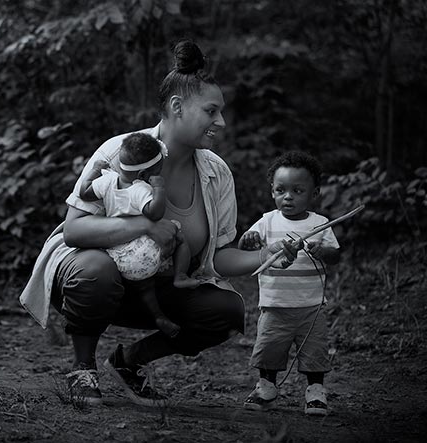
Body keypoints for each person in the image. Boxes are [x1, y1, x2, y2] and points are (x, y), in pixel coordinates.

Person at [19, 39, 300, 407]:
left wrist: (268, 254)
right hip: (91, 279)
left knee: (226, 311)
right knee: (96, 270)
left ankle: (128, 363)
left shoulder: (217, 172)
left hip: (157, 289)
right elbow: (74, 231)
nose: (221, 122)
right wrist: (146, 226)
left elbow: (219, 257)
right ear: (177, 107)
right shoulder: (120, 152)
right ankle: (82, 367)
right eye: (212, 111)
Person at [238, 151, 340, 416]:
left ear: (314, 194)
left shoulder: (320, 223)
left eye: (297, 190)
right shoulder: (267, 221)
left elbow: (335, 255)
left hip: (311, 307)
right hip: (274, 304)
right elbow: (245, 245)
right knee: (269, 348)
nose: (288, 196)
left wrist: (322, 251)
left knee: (314, 353)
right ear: (272, 191)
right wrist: (248, 239)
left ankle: (315, 393)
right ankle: (266, 389)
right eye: (280, 190)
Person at [78, 132, 199, 338]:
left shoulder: (107, 182)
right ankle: (180, 276)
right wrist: (159, 189)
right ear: (143, 174)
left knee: (145, 288)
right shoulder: (139, 189)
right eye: (157, 170)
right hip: (143, 251)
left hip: (119, 254)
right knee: (179, 237)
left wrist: (94, 172)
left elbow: (84, 193)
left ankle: (158, 315)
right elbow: (154, 213)